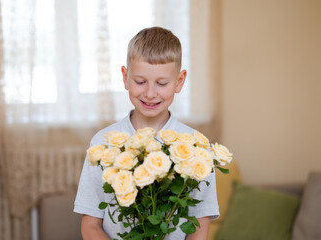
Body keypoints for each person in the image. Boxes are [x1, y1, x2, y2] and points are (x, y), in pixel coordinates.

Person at [74, 26, 220, 240]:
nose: (150, 94)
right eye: (140, 82)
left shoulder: (197, 148)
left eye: (162, 83)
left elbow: (199, 224)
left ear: (179, 81)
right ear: (125, 77)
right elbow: (90, 225)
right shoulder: (102, 144)